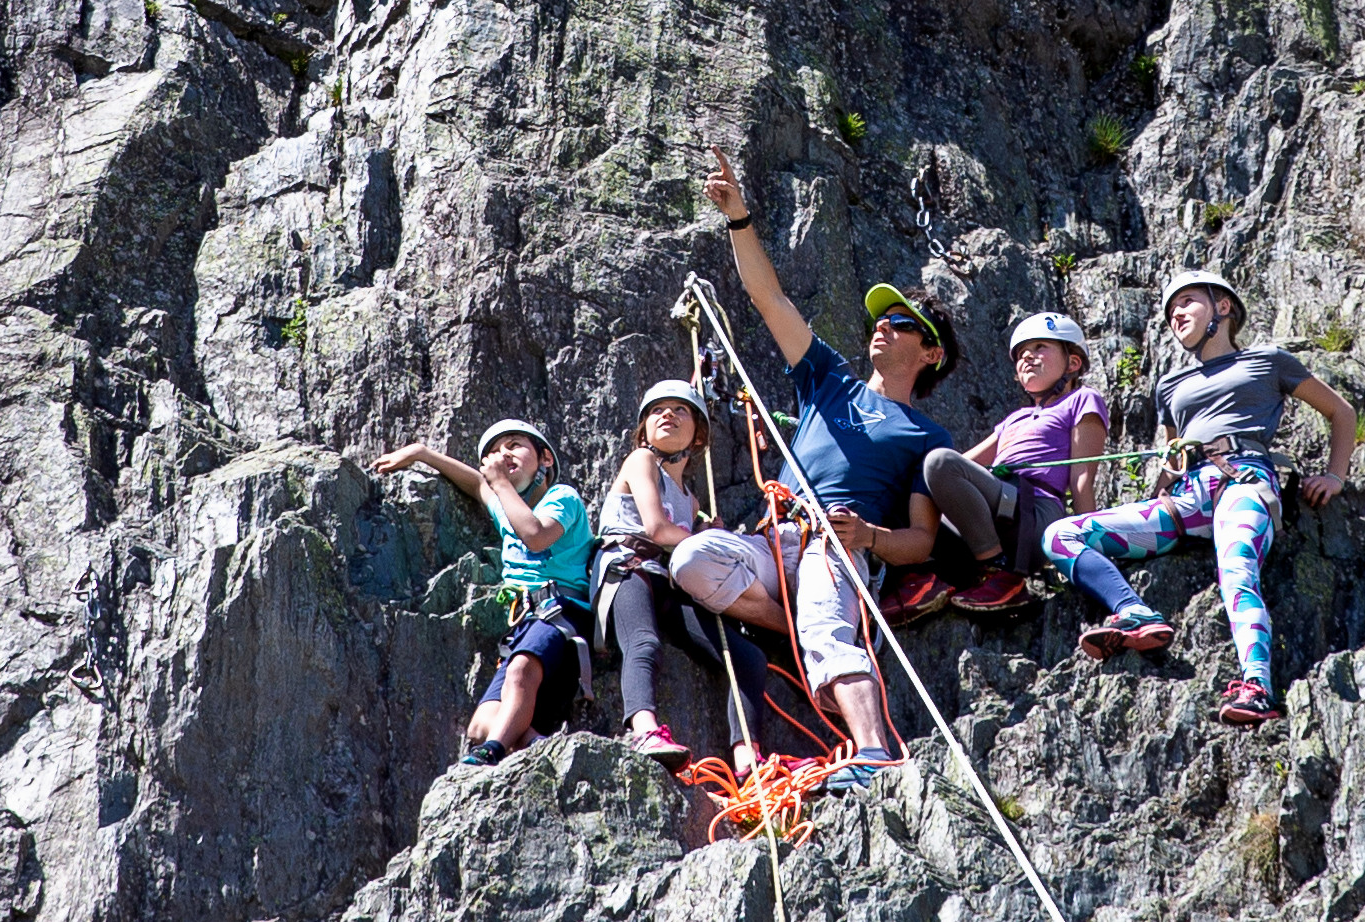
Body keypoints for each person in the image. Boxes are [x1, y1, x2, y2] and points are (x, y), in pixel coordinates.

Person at [671, 146, 957, 790]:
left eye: (900, 323)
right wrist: (739, 218)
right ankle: (796, 625)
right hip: (778, 534)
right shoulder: (830, 380)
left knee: (832, 636)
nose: (880, 328)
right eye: (878, 321)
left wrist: (869, 539)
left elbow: (921, 540)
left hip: (835, 544)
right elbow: (767, 298)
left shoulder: (927, 437)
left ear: (930, 352)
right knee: (691, 561)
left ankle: (875, 753)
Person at [1042, 270, 1355, 724]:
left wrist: (1335, 476)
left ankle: (1257, 687)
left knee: (1236, 571)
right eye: (1171, 311)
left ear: (1222, 307)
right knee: (1061, 535)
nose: (1176, 315)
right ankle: (1133, 612)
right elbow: (1173, 459)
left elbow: (1340, 412)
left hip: (1242, 481)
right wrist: (1166, 475)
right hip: (1186, 497)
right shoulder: (1169, 386)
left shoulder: (1268, 361)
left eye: (1187, 302)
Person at [371, 420, 595, 766]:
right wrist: (422, 454)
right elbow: (477, 484)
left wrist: (501, 483)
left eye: (515, 445)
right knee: (479, 726)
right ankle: (535, 744)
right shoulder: (506, 507)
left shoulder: (561, 497)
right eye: (493, 452)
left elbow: (535, 535)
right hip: (526, 620)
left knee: (521, 671)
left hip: (562, 611)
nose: (502, 454)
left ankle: (495, 752)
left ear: (545, 459)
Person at [594, 380, 767, 777]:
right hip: (629, 567)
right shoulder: (641, 461)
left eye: (680, 410)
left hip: (667, 583)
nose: (667, 415)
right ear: (643, 430)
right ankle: (643, 730)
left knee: (748, 657)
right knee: (644, 641)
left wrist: (708, 532)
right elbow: (656, 529)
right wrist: (710, 541)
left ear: (699, 436)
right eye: (657, 411)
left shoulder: (691, 500)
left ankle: (747, 755)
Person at [922, 312, 1109, 612]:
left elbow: (1081, 479)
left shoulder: (1082, 399)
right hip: (1002, 506)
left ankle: (1000, 574)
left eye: (1040, 348)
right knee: (922, 489)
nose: (1028, 358)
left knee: (939, 462)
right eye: (1022, 354)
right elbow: (961, 465)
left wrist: (1092, 555)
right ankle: (926, 581)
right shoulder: (1015, 419)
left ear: (1072, 363)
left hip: (1035, 512)